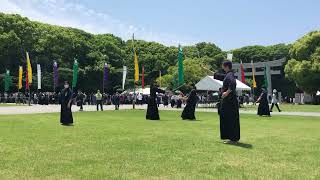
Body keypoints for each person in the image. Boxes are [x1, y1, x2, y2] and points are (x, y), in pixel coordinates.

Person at [219, 61, 240, 144]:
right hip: (230, 101)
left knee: (230, 119)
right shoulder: (228, 74)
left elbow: (233, 83)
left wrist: (226, 92)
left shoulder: (230, 75)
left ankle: (233, 138)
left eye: (222, 65)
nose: (221, 66)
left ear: (226, 66)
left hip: (229, 101)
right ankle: (232, 138)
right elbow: (219, 76)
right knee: (229, 119)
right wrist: (207, 70)